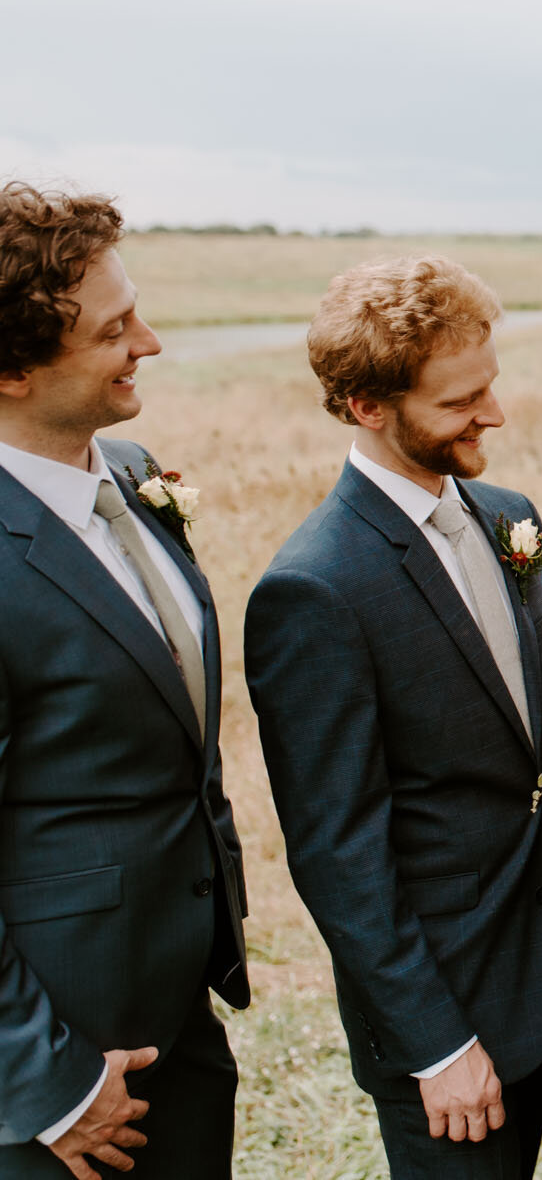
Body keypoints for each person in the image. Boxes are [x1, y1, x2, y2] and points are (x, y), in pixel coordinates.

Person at [244, 256, 542, 1180]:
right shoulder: (315, 587)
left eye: (491, 385)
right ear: (367, 407)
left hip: (541, 968)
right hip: (446, 1015)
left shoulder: (511, 521)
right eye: (461, 401)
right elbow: (336, 850)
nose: (493, 415)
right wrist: (435, 1044)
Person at [0, 182, 248, 1178]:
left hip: (178, 1020)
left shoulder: (135, 474)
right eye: (115, 329)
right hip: (61, 1072)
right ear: (13, 368)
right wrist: (43, 1085)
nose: (148, 342)